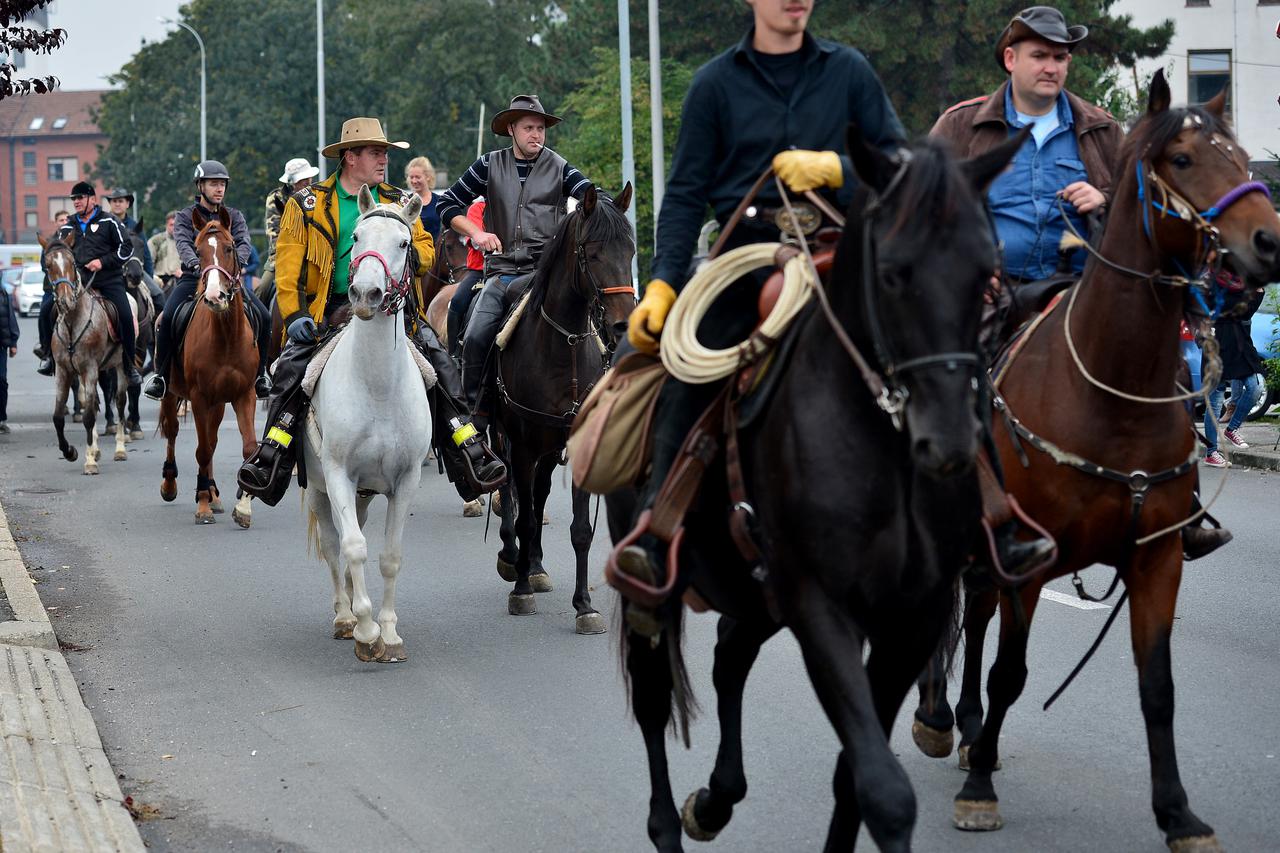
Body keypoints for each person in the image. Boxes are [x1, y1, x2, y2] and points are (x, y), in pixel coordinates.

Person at [236, 117, 504, 504]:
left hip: (395, 309)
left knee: (442, 366)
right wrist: (294, 316)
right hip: (330, 311)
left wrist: (408, 253)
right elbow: (289, 269)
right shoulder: (307, 204)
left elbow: (426, 249)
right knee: (291, 374)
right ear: (350, 157)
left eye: (385, 154)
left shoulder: (398, 199)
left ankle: (469, 451)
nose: (384, 160)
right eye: (376, 153)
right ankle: (270, 457)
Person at [931, 6, 1120, 286]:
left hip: (1081, 295)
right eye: (1039, 56)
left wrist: (1104, 199)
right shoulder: (959, 125)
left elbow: (1141, 206)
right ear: (1011, 59)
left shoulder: (1102, 129)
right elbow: (920, 208)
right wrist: (965, 270)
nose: (1051, 68)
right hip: (988, 292)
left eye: (1059, 58)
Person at [436, 94, 596, 419]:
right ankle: (474, 415)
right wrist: (477, 233)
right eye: (528, 128)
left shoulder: (561, 167)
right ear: (511, 129)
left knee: (601, 329)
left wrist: (600, 207)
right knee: (476, 335)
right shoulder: (488, 164)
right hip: (502, 274)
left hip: (545, 275)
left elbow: (594, 197)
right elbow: (447, 203)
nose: (536, 135)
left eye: (540, 128)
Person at [143, 160, 272, 401]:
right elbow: (183, 244)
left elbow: (244, 243)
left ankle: (261, 376)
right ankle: (161, 377)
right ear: (200, 186)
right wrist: (196, 264)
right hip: (193, 278)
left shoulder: (234, 216)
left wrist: (238, 264)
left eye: (222, 184)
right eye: (213, 184)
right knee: (167, 319)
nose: (219, 189)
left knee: (264, 316)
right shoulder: (185, 217)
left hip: (228, 281)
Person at [36, 182, 141, 386]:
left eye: (80, 198)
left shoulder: (109, 221)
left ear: (92, 199)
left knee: (125, 316)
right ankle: (49, 357)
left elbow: (126, 248)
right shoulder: (67, 227)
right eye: (74, 199)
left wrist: (102, 262)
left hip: (109, 279)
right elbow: (55, 251)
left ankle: (130, 366)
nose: (76, 202)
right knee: (46, 310)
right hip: (79, 281)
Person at [1202, 270, 1265, 467]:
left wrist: (1258, 291)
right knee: (1214, 401)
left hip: (1239, 343)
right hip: (1217, 344)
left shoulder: (1240, 282)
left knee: (1255, 387)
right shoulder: (1211, 281)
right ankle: (1211, 452)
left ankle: (1232, 428)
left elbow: (1245, 312)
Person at [260, 158, 320, 301]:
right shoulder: (276, 198)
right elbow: (273, 232)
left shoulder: (318, 195)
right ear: (291, 182)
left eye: (308, 177)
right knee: (262, 290)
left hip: (314, 254)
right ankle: (255, 315)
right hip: (282, 255)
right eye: (302, 179)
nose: (307, 181)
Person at [446, 198, 486, 356]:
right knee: (457, 301)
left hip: (516, 268)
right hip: (480, 270)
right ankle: (454, 353)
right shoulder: (478, 207)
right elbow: (475, 239)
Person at [104, 188, 154, 276]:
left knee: (154, 286)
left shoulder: (135, 226)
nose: (117, 204)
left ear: (127, 204)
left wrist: (150, 276)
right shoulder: (102, 224)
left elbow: (146, 255)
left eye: (120, 201)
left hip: (133, 272)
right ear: (110, 203)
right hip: (108, 272)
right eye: (114, 201)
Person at [405, 155, 442, 243]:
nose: (414, 181)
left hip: (434, 249)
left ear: (428, 177)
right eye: (411, 177)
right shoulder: (404, 201)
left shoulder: (439, 202)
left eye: (418, 177)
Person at [0, 270, 18, 432]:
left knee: (2, 381)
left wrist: (13, 342)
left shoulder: (4, 294)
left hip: (1, 346)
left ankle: (1, 419)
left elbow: (10, 318)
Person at [148, 211, 182, 290]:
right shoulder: (155, 241)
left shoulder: (187, 242)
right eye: (171, 225)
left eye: (177, 225)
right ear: (166, 225)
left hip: (181, 280)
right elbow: (148, 263)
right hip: (160, 282)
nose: (174, 227)